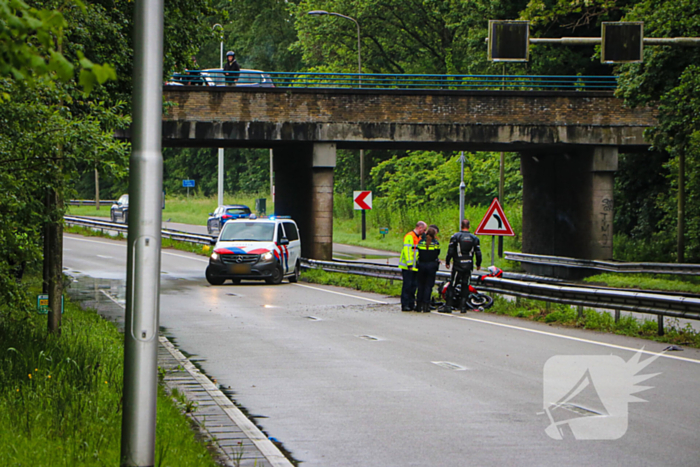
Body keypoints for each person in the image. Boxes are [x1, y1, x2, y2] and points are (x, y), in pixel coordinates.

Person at [440, 219, 482, 314]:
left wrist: (447, 261)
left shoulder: (456, 236)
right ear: (469, 226)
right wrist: (478, 264)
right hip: (468, 265)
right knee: (465, 285)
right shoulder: (474, 238)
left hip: (458, 265)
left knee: (453, 284)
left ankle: (448, 306)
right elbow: (478, 253)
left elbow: (450, 251)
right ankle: (463, 307)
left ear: (461, 226)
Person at [399, 221, 427, 311]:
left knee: (414, 286)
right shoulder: (409, 236)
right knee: (407, 286)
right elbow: (407, 250)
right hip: (408, 266)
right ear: (420, 228)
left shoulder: (418, 237)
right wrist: (409, 263)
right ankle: (405, 304)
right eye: (424, 230)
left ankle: (411, 303)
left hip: (415, 266)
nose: (424, 231)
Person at [416, 226, 440, 313]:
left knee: (420, 285)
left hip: (421, 265)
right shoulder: (435, 243)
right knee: (428, 286)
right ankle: (426, 306)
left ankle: (418, 305)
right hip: (431, 266)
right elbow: (437, 254)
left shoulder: (421, 242)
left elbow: (418, 252)